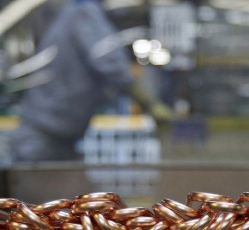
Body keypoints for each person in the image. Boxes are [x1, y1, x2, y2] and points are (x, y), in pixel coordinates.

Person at [12, 0, 173, 162]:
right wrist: (150, 104)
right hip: (43, 138)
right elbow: (109, 62)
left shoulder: (82, 13)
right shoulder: (83, 12)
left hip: (60, 139)